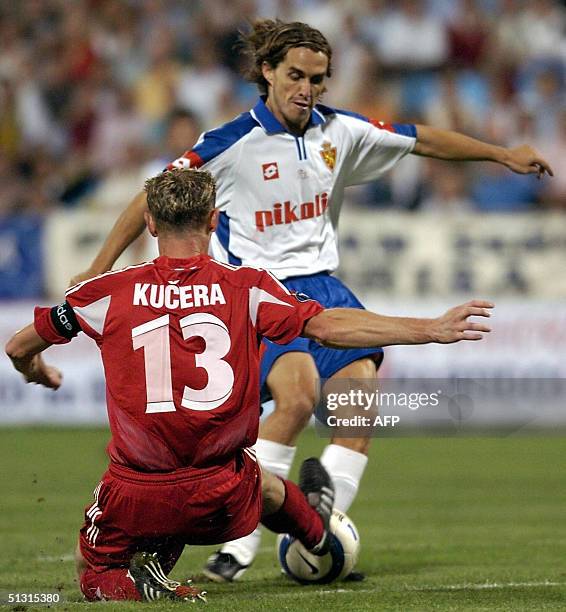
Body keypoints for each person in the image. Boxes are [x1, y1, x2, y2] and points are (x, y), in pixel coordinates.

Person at [68, 19, 536, 581]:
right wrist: (99, 267)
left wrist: (500, 153)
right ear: (267, 72)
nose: (306, 89)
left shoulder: (340, 130)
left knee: (358, 406)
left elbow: (420, 138)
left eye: (317, 79)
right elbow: (154, 196)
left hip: (325, 287)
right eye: (295, 75)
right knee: (295, 398)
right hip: (254, 294)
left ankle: (321, 534)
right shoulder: (229, 143)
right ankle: (236, 550)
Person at [6, 168, 493, 601]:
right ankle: (321, 542)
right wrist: (430, 328)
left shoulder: (104, 293)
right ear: (214, 221)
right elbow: (328, 326)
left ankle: (140, 586)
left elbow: (18, 347)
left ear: (151, 224)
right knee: (269, 487)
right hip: (224, 496)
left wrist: (37, 371)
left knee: (92, 570)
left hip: (138, 494)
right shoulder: (249, 287)